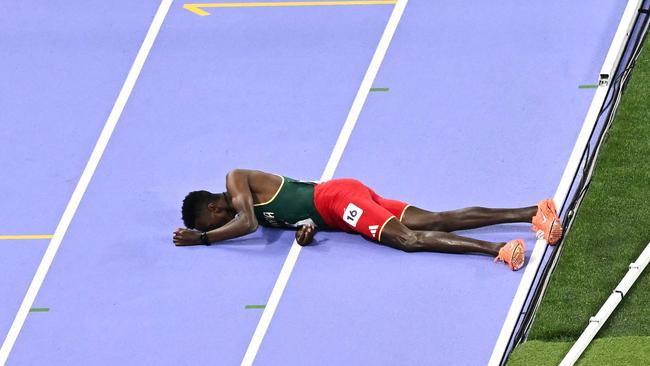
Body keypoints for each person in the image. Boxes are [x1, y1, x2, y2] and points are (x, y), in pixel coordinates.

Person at [173, 169, 562, 271]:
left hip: (340, 201)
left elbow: (247, 226)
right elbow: (295, 217)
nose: (218, 229)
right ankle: (534, 211)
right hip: (339, 207)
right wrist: (305, 233)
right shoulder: (255, 208)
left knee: (408, 240)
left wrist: (204, 241)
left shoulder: (235, 180)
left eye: (211, 225)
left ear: (212, 210)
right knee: (438, 219)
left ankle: (499, 248)